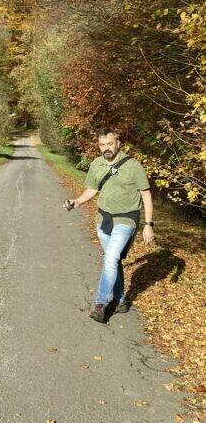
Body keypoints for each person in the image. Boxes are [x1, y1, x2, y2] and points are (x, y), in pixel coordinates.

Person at [64, 127, 154, 323]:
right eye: (102, 145)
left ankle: (100, 303)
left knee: (111, 257)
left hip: (126, 219)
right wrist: (77, 202)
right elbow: (91, 189)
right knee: (113, 261)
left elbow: (146, 195)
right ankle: (121, 299)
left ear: (118, 143)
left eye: (110, 144)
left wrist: (148, 224)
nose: (106, 148)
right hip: (104, 220)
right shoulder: (96, 164)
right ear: (99, 146)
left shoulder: (133, 166)